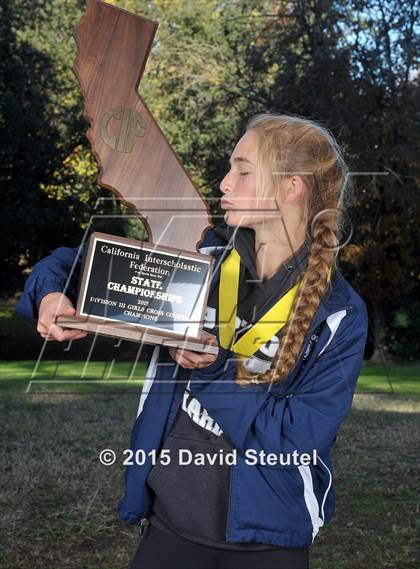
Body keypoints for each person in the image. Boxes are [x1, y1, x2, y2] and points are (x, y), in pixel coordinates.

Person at [16, 113, 369, 569]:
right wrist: (49, 295)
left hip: (269, 540)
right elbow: (74, 263)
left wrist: (214, 369)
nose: (224, 182)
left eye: (242, 170)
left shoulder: (339, 313)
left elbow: (296, 439)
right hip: (171, 524)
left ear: (290, 187)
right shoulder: (198, 255)